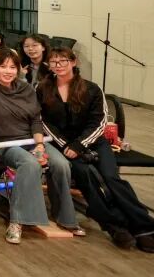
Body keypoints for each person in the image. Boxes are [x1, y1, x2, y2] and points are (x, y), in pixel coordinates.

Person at [39, 47, 154, 251]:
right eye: (54, 62)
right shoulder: (43, 89)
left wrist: (79, 144)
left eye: (63, 60)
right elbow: (43, 122)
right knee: (87, 179)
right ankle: (114, 226)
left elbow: (99, 122)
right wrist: (66, 145)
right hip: (64, 145)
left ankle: (143, 227)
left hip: (93, 142)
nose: (58, 65)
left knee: (111, 178)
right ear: (49, 65)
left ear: (73, 62)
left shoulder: (91, 88)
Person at [0, 48, 80, 244]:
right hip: (4, 143)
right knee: (30, 164)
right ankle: (17, 221)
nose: (8, 71)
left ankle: (65, 218)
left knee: (61, 164)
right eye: (3, 66)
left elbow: (35, 120)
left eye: (12, 67)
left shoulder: (27, 89)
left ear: (19, 69)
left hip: (32, 140)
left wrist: (39, 145)